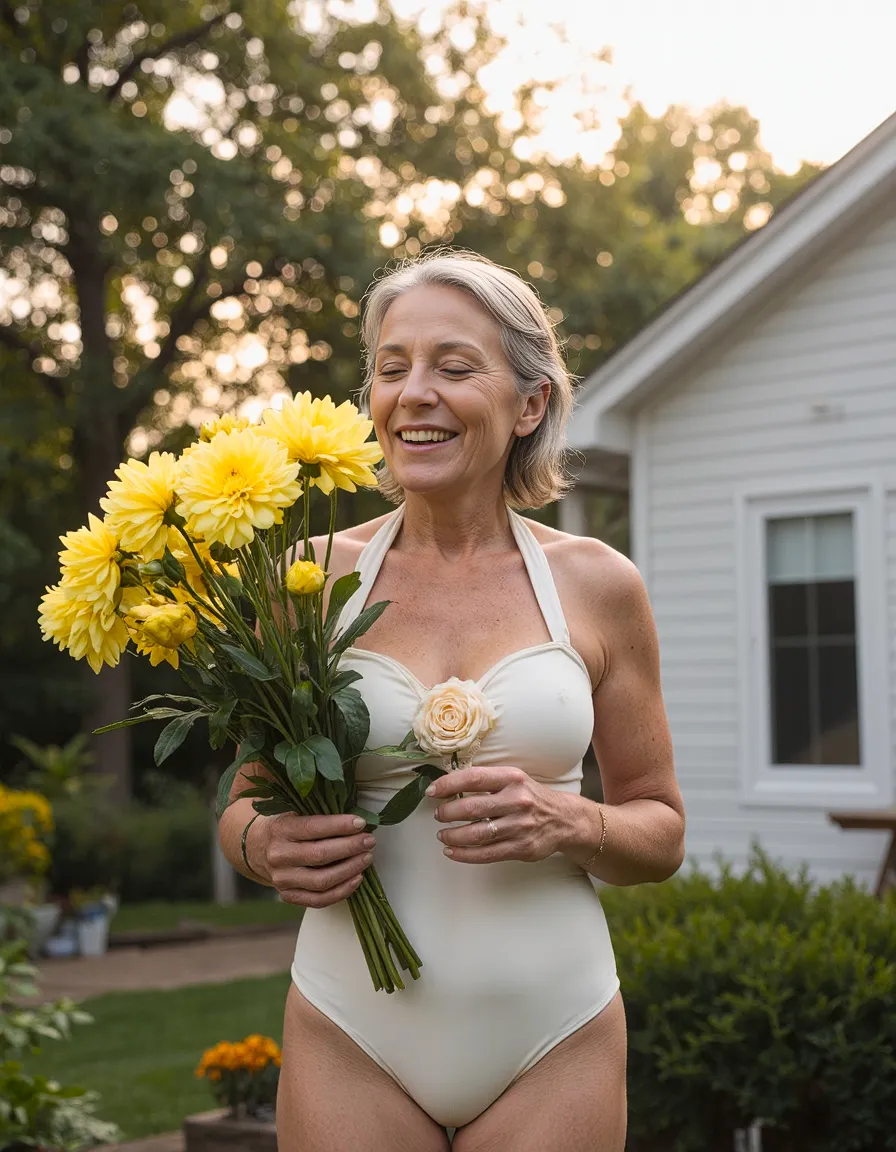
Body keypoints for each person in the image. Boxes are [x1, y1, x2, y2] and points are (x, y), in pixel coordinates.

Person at [218, 250, 685, 1152]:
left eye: (455, 367)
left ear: (530, 404)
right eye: (392, 368)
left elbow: (660, 830)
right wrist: (264, 847)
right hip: (350, 1033)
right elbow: (243, 808)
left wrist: (569, 820)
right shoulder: (306, 582)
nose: (414, 394)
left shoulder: (598, 585)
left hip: (556, 1035)